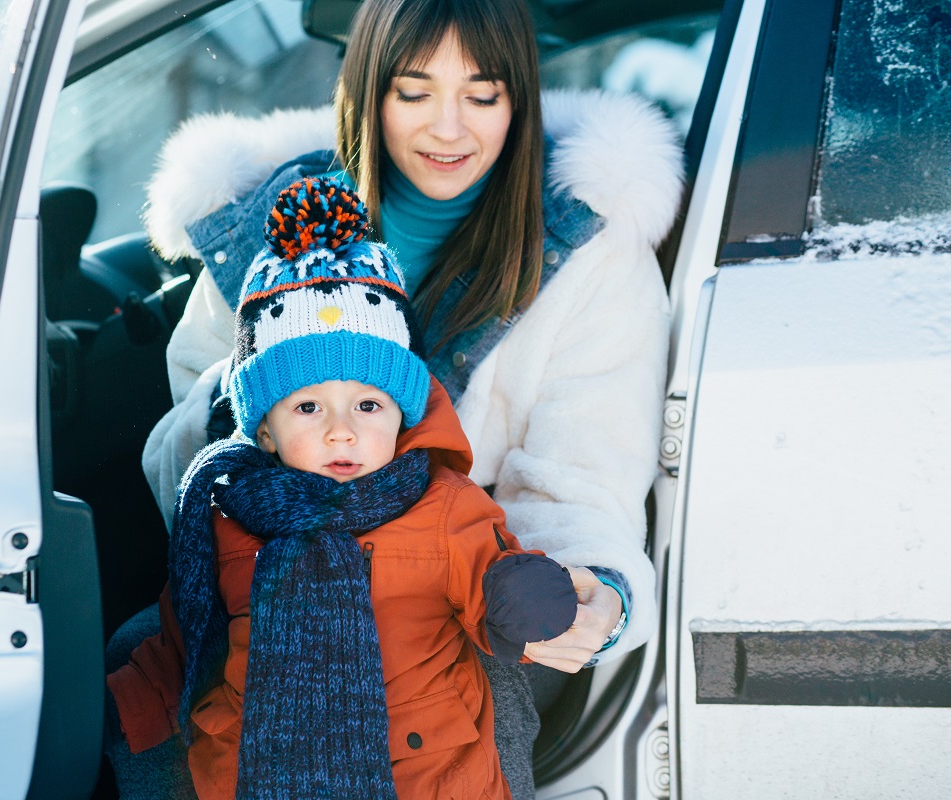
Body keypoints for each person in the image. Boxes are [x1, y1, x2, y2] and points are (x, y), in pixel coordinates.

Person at [122, 0, 682, 795]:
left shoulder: (589, 251)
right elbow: (186, 442)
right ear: (367, 93)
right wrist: (272, 420)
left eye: (481, 95)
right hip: (273, 565)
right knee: (143, 684)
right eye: (415, 94)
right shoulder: (275, 229)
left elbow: (582, 485)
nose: (448, 129)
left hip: (466, 591)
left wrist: (587, 596)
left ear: (518, 101)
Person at [110, 176, 583, 799]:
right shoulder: (227, 513)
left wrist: (525, 593)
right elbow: (191, 626)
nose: (342, 433)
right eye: (308, 408)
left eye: (366, 405)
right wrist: (142, 695)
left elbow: (490, 578)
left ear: (402, 415)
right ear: (267, 433)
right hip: (260, 771)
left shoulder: (441, 506)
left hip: (424, 774)